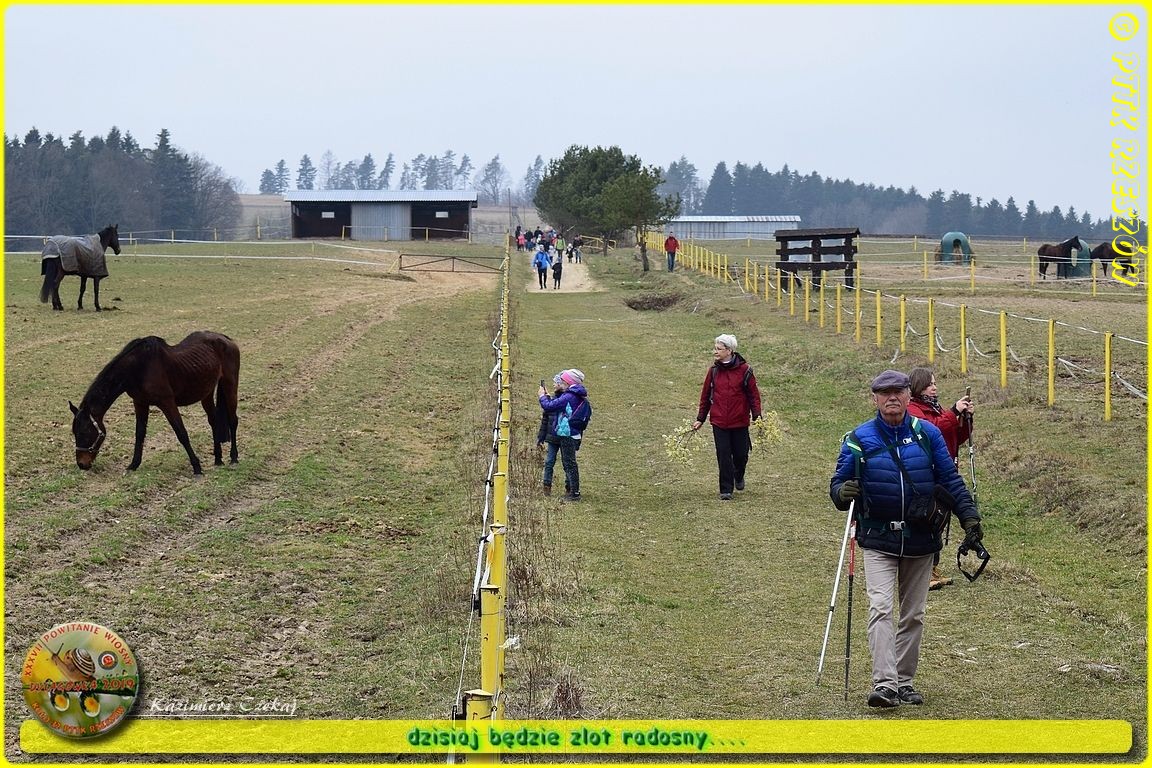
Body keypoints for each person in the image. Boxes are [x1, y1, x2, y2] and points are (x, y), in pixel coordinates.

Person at [829, 369, 983, 709]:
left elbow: (950, 479)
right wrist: (842, 492)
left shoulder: (928, 434)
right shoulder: (858, 438)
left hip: (920, 538)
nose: (892, 397)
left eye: (897, 391)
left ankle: (904, 681)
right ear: (875, 398)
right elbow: (837, 484)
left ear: (907, 395)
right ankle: (885, 685)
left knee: (913, 614)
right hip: (878, 537)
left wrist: (969, 517)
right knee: (881, 608)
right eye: (884, 393)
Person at [906, 366, 974, 590]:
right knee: (927, 519)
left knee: (938, 520)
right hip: (925, 473)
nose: (934, 388)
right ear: (918, 387)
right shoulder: (913, 410)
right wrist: (953, 412)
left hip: (943, 471)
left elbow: (954, 436)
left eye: (935, 383)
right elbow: (932, 430)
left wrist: (965, 419)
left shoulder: (935, 409)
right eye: (929, 384)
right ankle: (923, 573)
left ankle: (931, 568)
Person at [691, 334, 762, 500]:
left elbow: (753, 395)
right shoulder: (713, 371)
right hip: (719, 421)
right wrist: (700, 418)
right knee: (723, 455)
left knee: (741, 455)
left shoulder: (745, 371)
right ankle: (726, 489)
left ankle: (739, 474)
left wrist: (757, 415)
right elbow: (705, 396)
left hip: (740, 421)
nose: (715, 352)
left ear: (729, 350)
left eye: (719, 349)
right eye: (715, 348)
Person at [537, 369, 587, 501]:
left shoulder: (569, 396)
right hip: (573, 432)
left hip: (567, 433)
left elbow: (548, 406)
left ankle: (574, 493)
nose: (561, 382)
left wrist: (542, 396)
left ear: (568, 382)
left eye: (563, 380)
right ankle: (573, 491)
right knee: (569, 463)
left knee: (569, 464)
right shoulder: (577, 395)